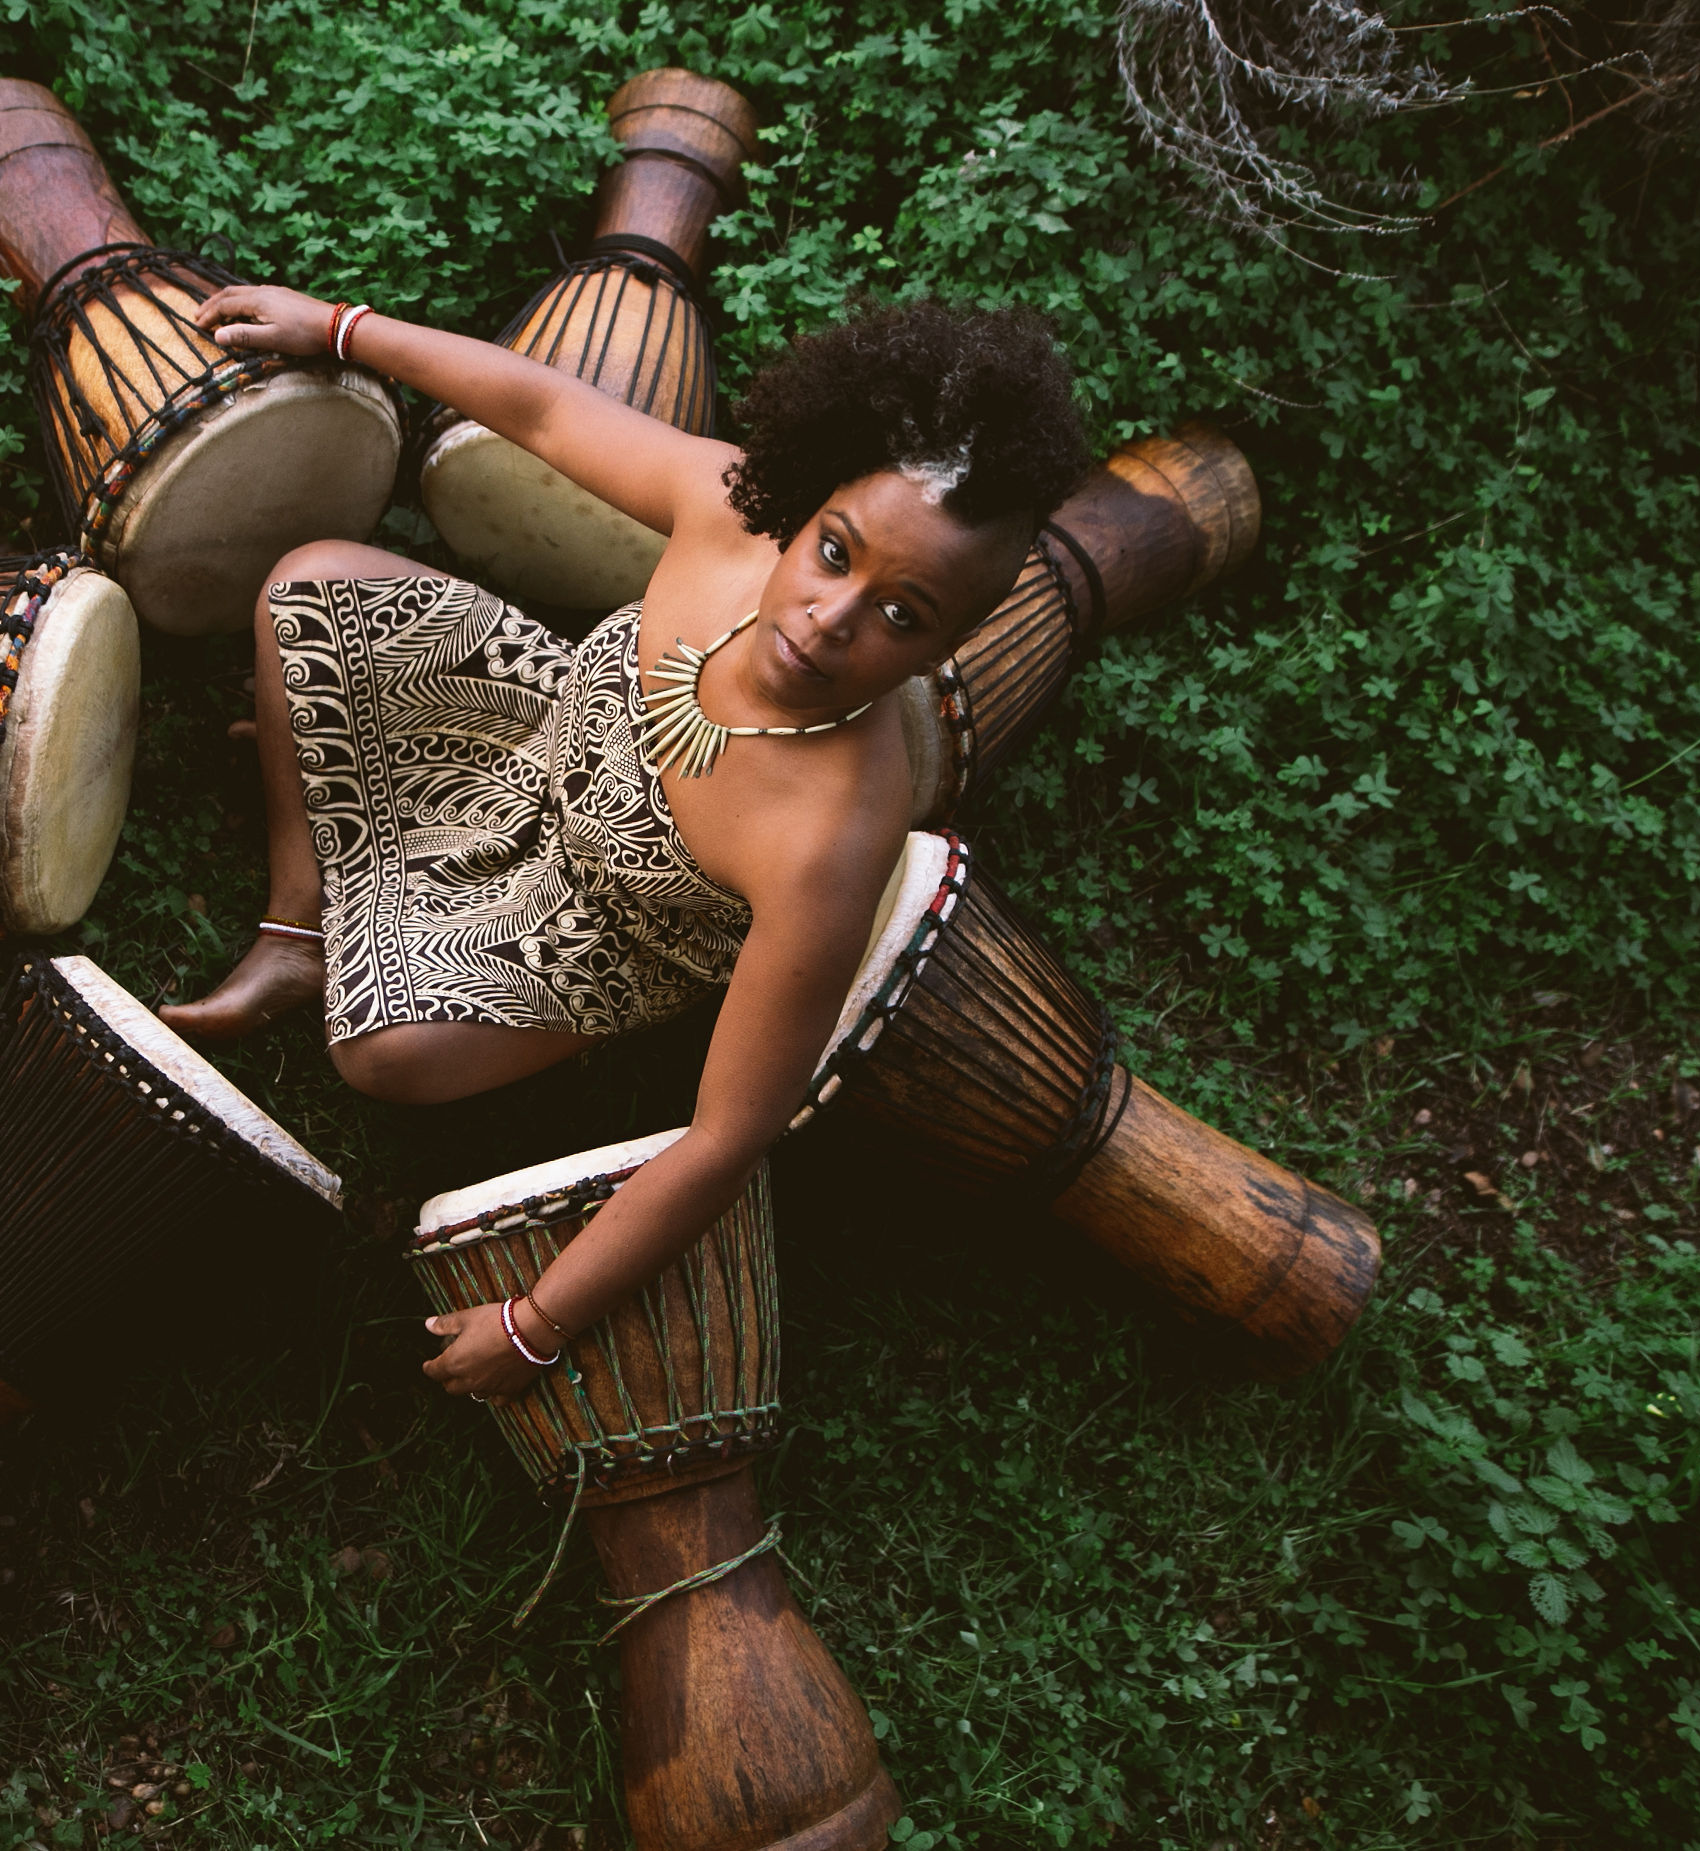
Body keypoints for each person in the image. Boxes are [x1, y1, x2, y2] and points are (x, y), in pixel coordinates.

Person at [157, 287, 1089, 1400]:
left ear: (952, 638)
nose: (831, 618)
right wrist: (341, 329)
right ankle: (295, 921)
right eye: (834, 552)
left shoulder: (830, 839)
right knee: (315, 584)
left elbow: (723, 1136)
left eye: (904, 615)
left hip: (598, 934)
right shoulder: (733, 515)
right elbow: (543, 411)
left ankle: (445, 951)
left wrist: (539, 1322)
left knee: (383, 1058)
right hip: (537, 733)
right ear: (811, 499)